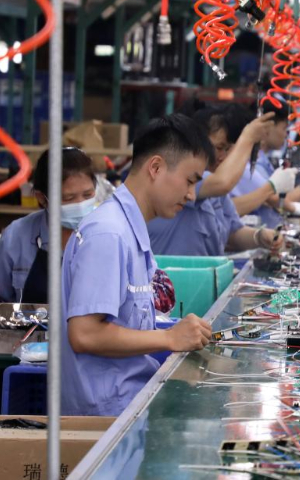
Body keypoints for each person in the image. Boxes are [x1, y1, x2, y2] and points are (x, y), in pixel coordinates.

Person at [61, 114, 214, 416]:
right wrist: (170, 338)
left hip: (127, 406)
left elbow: (124, 323)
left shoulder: (131, 230)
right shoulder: (109, 234)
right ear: (155, 167)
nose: (191, 194)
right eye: (190, 180)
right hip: (105, 422)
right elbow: (85, 334)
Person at [148, 106, 285, 256]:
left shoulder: (217, 194)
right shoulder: (187, 178)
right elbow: (223, 183)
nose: (223, 156)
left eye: (227, 149)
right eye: (219, 147)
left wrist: (259, 236)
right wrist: (248, 137)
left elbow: (232, 232)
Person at [0, 148, 97, 303]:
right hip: (30, 327)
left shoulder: (111, 234)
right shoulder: (16, 236)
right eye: (68, 198)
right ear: (42, 198)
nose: (80, 204)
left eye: (88, 195)